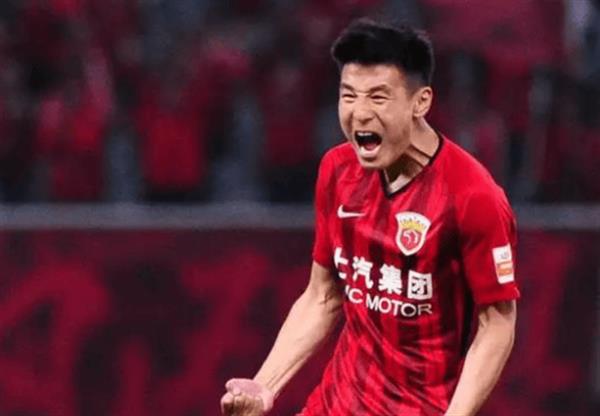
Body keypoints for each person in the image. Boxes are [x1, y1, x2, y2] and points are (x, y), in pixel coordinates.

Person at [220, 18, 519, 416]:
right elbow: (323, 296)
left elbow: (497, 323)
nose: (359, 113)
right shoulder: (337, 171)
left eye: (378, 98)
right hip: (335, 404)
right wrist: (264, 386)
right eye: (349, 96)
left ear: (421, 102)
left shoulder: (473, 196)